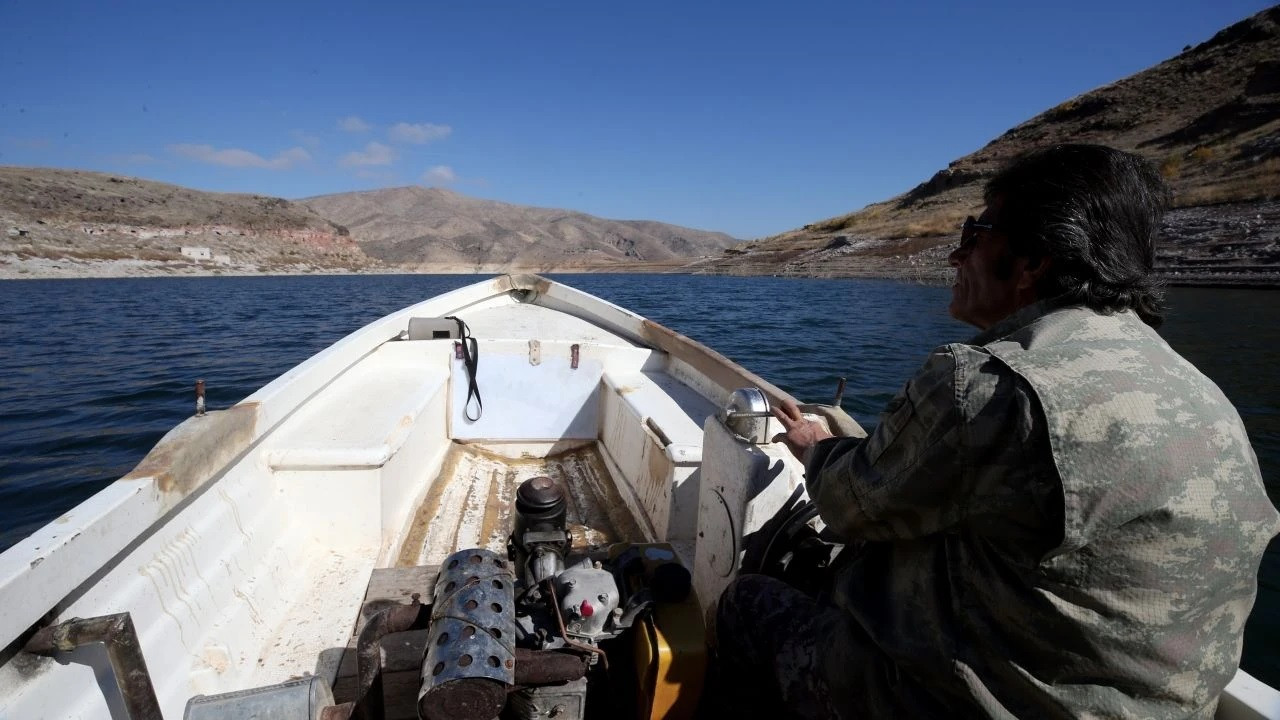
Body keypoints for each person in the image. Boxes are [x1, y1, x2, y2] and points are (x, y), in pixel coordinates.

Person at [715, 144, 1279, 718]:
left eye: (974, 234)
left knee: (747, 602)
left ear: (1033, 259)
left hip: (968, 705)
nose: (955, 257)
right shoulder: (1195, 385)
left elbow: (847, 505)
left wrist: (819, 447)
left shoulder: (986, 383)